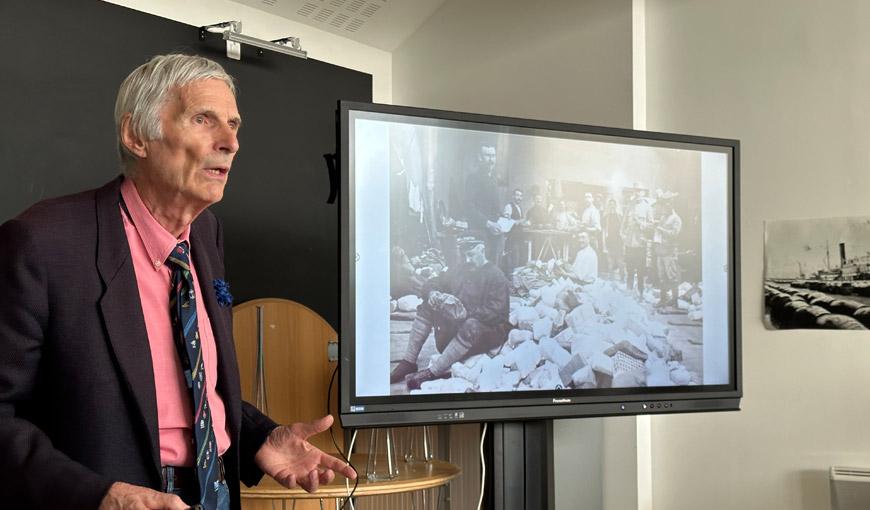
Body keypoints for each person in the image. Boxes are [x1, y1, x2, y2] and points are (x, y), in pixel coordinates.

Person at [0, 54, 355, 510]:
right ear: (136, 135)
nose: (230, 142)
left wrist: (260, 437)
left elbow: (188, 385)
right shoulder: (43, 243)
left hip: (217, 492)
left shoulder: (207, 234)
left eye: (234, 124)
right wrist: (101, 497)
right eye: (203, 119)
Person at [390, 240, 510, 390]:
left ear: (482, 249)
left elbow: (498, 313)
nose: (467, 260)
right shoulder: (459, 269)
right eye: (464, 255)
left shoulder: (496, 276)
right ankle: (409, 361)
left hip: (485, 335)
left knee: (471, 324)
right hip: (458, 332)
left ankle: (432, 372)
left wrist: (466, 313)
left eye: (471, 255)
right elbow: (433, 282)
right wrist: (433, 292)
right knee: (428, 304)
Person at [464, 144, 505, 268]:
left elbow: (492, 205)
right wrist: (488, 223)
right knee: (480, 270)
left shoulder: (493, 178)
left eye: (493, 156)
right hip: (480, 234)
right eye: (487, 156)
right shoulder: (473, 179)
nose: (491, 160)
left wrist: (503, 215)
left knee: (493, 268)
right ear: (480, 158)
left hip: (495, 234)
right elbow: (468, 207)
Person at [653, 196, 683, 308]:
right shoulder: (663, 217)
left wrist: (661, 229)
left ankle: (675, 300)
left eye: (666, 206)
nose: (663, 209)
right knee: (662, 277)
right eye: (663, 206)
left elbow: (674, 234)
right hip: (660, 251)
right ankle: (663, 299)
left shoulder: (676, 219)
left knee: (672, 276)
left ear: (671, 206)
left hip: (669, 252)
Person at [622, 190, 652, 298]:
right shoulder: (630, 206)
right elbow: (624, 222)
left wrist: (640, 223)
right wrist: (623, 235)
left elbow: (651, 225)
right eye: (636, 191)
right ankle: (629, 291)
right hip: (629, 243)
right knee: (629, 269)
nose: (637, 193)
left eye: (640, 191)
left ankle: (640, 292)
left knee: (640, 270)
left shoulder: (647, 207)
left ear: (643, 193)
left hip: (640, 243)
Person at [602, 198, 624, 278]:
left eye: (613, 204)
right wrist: (604, 243)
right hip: (609, 241)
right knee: (610, 262)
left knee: (620, 261)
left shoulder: (619, 216)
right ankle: (611, 279)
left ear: (616, 205)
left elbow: (623, 229)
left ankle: (622, 278)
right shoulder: (606, 217)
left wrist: (623, 241)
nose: (612, 206)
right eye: (610, 204)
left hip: (618, 241)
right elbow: (604, 231)